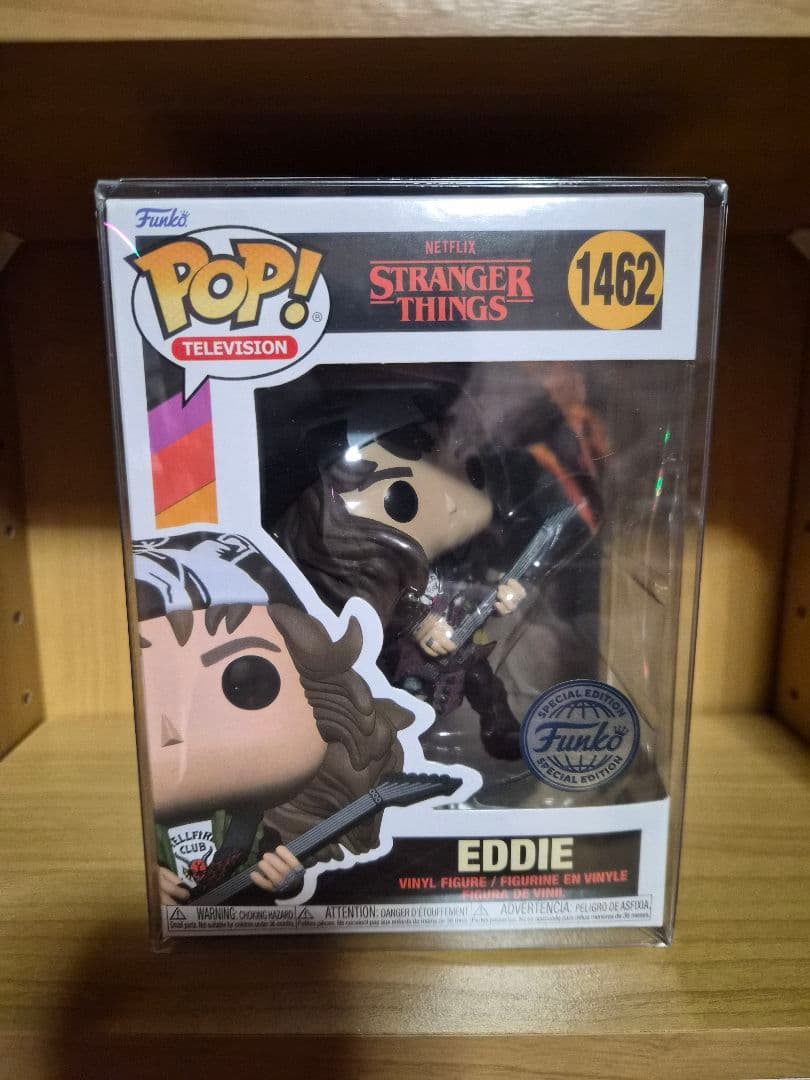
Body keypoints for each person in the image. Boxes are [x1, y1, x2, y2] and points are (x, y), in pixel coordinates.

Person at [133, 530, 413, 905]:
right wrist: (133, 874)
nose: (174, 730)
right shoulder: (138, 827)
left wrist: (290, 880)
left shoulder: (255, 824)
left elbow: (289, 870)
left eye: (248, 682)